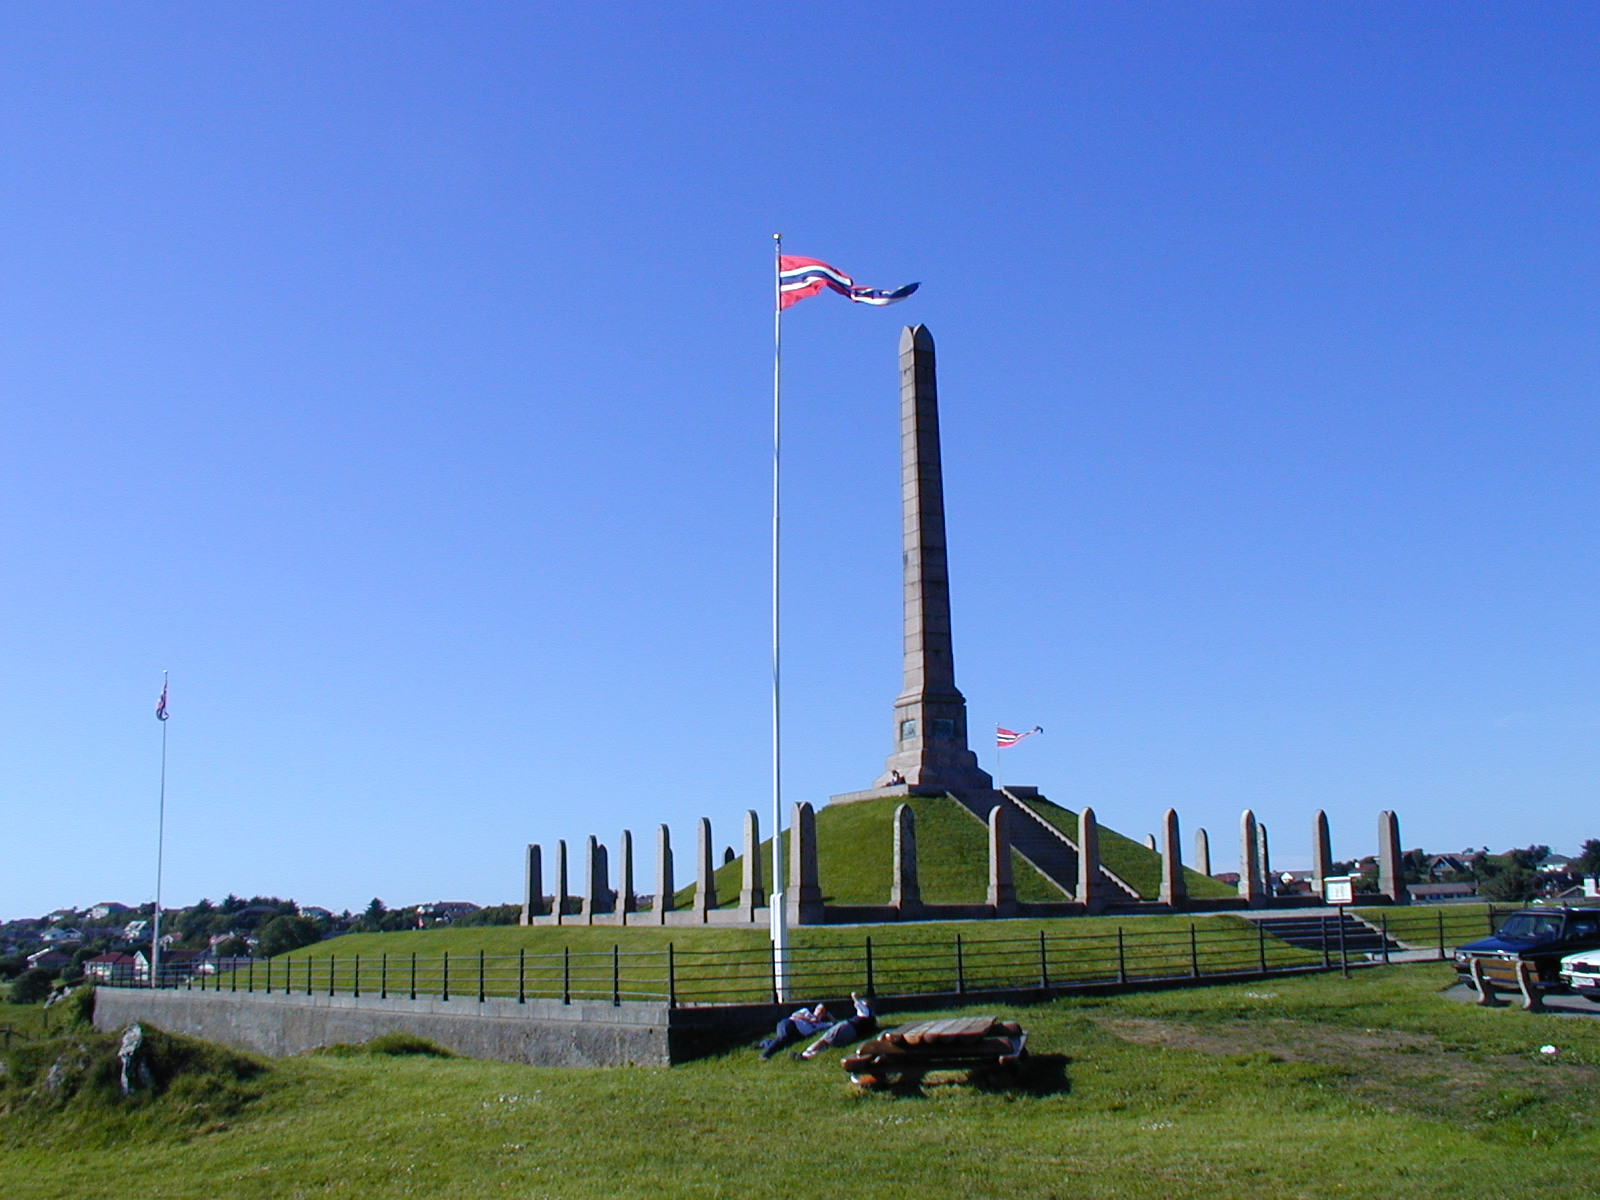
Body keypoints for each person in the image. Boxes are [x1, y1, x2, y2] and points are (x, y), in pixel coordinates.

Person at [795, 993, 876, 1059]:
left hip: (847, 1026)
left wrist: (861, 999)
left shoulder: (865, 1011)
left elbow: (854, 995)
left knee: (825, 1039)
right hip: (854, 1034)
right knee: (830, 1045)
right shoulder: (871, 1019)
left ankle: (807, 1052)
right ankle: (810, 1056)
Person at [756, 1003, 832, 1060]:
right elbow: (795, 1015)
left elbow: (835, 1024)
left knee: (785, 1045)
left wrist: (829, 1016)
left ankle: (764, 1043)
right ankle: (765, 1054)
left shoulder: (821, 1024)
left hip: (798, 1033)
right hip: (790, 1023)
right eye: (819, 1009)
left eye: (822, 1011)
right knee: (783, 1037)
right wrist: (809, 1019)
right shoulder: (806, 1011)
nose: (819, 1012)